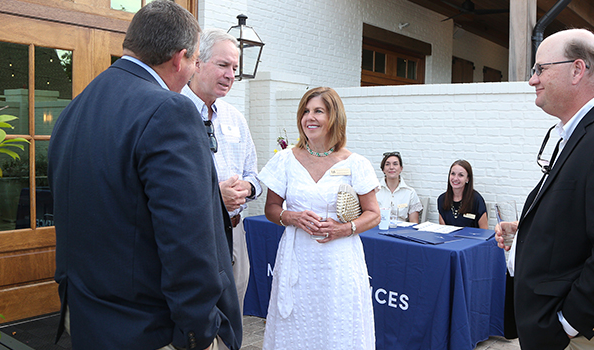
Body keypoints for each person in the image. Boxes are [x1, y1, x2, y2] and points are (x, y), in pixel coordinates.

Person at [47, 2, 241, 349]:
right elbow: (186, 240)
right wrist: (199, 332)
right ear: (180, 58)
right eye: (198, 61)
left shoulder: (76, 107)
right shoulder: (169, 110)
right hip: (147, 328)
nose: (193, 70)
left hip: (87, 318)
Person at [495, 28, 594, 350]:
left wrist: (570, 324)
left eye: (540, 69)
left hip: (581, 338)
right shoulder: (584, 131)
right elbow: (585, 215)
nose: (532, 80)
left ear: (577, 69)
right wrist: (529, 229)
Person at [257, 87, 381, 350]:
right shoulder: (286, 160)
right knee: (297, 326)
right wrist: (292, 217)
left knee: (338, 324)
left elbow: (374, 214)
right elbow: (271, 208)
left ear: (334, 117)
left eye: (318, 111)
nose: (309, 117)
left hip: (339, 262)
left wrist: (343, 229)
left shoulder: (356, 163)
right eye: (305, 111)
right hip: (297, 259)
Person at [181, 28, 261, 315]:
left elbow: (254, 174)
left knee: (233, 312)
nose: (230, 75)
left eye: (235, 68)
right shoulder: (173, 112)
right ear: (197, 63)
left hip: (236, 230)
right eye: (223, 65)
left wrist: (248, 189)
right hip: (197, 235)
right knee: (200, 314)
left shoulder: (235, 118)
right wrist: (217, 197)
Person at [437, 160, 488, 229]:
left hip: (471, 239)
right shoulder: (442, 199)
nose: (455, 178)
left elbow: (484, 230)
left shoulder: (476, 200)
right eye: (453, 174)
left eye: (460, 175)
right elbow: (443, 230)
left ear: (467, 179)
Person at [376, 151, 423, 223]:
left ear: (401, 168)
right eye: (387, 164)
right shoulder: (374, 191)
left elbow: (414, 222)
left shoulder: (410, 193)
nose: (391, 167)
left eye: (395, 164)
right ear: (383, 169)